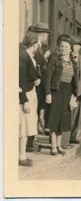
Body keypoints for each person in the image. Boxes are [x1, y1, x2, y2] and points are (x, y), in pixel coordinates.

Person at [44, 35, 78, 156]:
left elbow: (75, 81)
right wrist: (48, 93)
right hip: (56, 91)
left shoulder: (73, 62)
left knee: (63, 120)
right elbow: (48, 76)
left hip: (67, 91)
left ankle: (59, 145)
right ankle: (53, 146)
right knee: (54, 119)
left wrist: (74, 97)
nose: (64, 48)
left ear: (70, 49)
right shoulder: (54, 59)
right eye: (62, 46)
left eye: (66, 46)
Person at [20, 22, 50, 151]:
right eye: (45, 35)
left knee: (36, 113)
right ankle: (29, 143)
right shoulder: (35, 49)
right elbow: (40, 66)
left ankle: (32, 140)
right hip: (33, 86)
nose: (46, 37)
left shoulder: (42, 48)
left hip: (39, 84)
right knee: (31, 114)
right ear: (41, 35)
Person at [61, 35, 81, 148]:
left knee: (78, 115)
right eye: (74, 46)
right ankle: (65, 139)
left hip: (80, 91)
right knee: (68, 114)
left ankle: (73, 136)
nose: (76, 48)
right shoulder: (66, 59)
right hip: (69, 91)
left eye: (78, 46)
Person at [19, 33, 41, 166]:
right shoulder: (23, 58)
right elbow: (19, 81)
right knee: (24, 127)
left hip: (30, 93)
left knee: (26, 126)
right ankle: (21, 157)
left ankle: (22, 155)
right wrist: (24, 100)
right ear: (34, 44)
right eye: (37, 43)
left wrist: (36, 78)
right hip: (26, 95)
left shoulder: (28, 56)